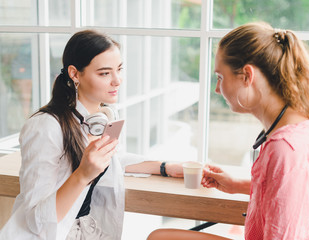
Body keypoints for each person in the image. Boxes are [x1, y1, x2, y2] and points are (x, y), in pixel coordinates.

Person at [147, 21, 309, 240]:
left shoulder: (288, 150)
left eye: (220, 77)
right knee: (161, 236)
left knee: (160, 238)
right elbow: (290, 192)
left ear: (247, 75)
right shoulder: (306, 127)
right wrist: (237, 185)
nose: (217, 89)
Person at [0, 29, 184, 240]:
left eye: (119, 69)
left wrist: (165, 167)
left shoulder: (99, 117)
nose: (117, 80)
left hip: (86, 230)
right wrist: (82, 175)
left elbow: (112, 159)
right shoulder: (45, 127)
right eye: (105, 73)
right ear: (75, 74)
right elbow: (36, 220)